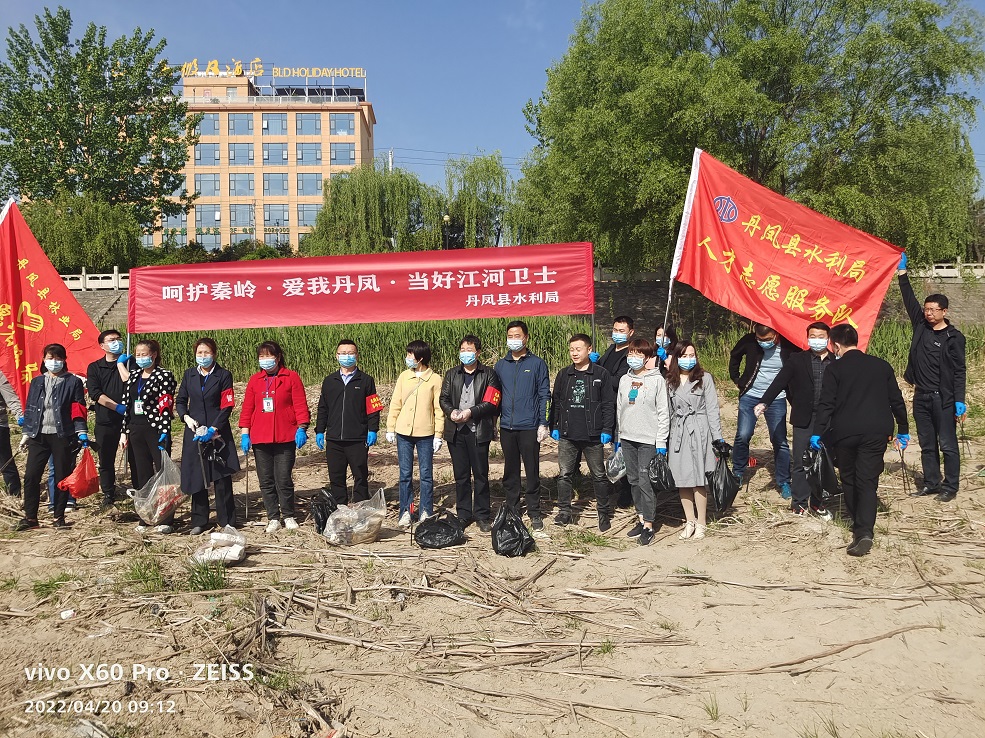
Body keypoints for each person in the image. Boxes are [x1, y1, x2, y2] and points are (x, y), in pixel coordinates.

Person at [812, 325, 909, 557]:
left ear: (835, 345)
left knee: (849, 478)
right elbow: (896, 399)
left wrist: (817, 432)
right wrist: (903, 428)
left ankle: (858, 524)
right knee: (867, 479)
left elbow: (827, 403)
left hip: (846, 432)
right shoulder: (881, 365)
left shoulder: (835, 369)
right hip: (877, 431)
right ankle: (864, 531)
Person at [897, 253, 967, 502]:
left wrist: (960, 399)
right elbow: (909, 300)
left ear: (944, 311)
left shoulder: (954, 338)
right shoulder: (921, 326)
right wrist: (902, 273)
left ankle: (951, 486)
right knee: (927, 444)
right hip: (921, 395)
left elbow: (960, 370)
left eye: (933, 310)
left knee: (947, 444)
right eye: (926, 309)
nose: (927, 313)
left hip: (943, 398)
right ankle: (931, 483)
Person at [754, 322, 835, 519]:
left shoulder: (837, 361)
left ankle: (818, 503)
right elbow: (780, 381)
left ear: (828, 338)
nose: (817, 339)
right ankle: (798, 503)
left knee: (823, 462)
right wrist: (765, 401)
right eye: (813, 336)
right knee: (800, 461)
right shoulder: (797, 360)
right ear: (807, 338)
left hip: (829, 419)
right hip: (804, 418)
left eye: (821, 336)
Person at [239, 341, 310, 533]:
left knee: (283, 478)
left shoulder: (291, 377)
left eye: (269, 356)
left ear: (278, 357)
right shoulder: (255, 380)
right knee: (266, 479)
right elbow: (247, 409)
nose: (265, 360)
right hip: (260, 438)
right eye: (261, 356)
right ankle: (273, 516)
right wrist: (245, 433)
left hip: (285, 436)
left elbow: (300, 404)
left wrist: (302, 427)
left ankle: (288, 515)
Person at [17, 344, 88, 530]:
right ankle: (30, 518)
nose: (53, 362)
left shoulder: (73, 382)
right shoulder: (37, 381)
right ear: (44, 359)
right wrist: (26, 433)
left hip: (62, 435)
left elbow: (78, 408)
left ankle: (59, 517)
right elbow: (31, 408)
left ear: (64, 360)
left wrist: (81, 431)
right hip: (38, 436)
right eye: (50, 358)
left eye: (57, 358)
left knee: (61, 477)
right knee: (31, 476)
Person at [549, 334, 616, 531]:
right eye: (572, 349)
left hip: (593, 434)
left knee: (599, 475)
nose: (575, 353)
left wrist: (606, 429)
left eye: (579, 349)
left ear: (589, 349)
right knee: (564, 475)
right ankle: (564, 512)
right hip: (568, 433)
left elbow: (607, 404)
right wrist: (554, 426)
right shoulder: (564, 374)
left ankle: (603, 514)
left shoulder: (600, 374)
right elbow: (557, 402)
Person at [175, 338, 240, 535]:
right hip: (194, 431)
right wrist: (185, 417)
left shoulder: (223, 375)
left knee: (221, 475)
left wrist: (214, 428)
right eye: (200, 353)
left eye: (207, 352)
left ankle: (226, 520)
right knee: (197, 475)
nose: (203, 356)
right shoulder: (189, 374)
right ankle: (199, 520)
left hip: (217, 431)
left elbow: (227, 404)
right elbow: (180, 400)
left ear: (214, 354)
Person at [439, 335, 502, 532]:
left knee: (481, 474)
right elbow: (444, 398)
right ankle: (464, 513)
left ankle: (482, 514)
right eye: (463, 350)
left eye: (469, 350)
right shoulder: (452, 374)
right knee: (461, 475)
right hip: (456, 432)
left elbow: (492, 401)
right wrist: (452, 411)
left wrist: (471, 412)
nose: (465, 353)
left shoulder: (489, 374)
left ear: (478, 352)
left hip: (478, 431)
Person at [728, 323, 798, 498]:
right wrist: (736, 378)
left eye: (767, 340)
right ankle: (738, 472)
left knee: (779, 440)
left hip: (777, 398)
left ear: (776, 334)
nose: (763, 343)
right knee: (743, 434)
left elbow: (799, 366)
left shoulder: (788, 345)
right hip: (751, 396)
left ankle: (784, 481)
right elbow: (735, 355)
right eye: (760, 340)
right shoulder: (750, 341)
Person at [494, 320, 551, 532]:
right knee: (510, 470)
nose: (513, 339)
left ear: (526, 338)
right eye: (510, 336)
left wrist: (543, 422)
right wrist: (494, 422)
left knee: (532, 469)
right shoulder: (501, 365)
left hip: (529, 426)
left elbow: (545, 393)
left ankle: (535, 511)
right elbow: (495, 397)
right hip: (507, 426)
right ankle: (512, 508)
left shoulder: (537, 363)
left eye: (517, 335)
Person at [667, 341, 725, 540]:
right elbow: (668, 411)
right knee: (682, 478)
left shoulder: (704, 378)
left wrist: (717, 438)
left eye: (692, 355)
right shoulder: (670, 380)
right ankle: (689, 520)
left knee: (699, 478)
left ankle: (702, 521)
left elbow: (712, 409)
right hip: (679, 432)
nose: (688, 359)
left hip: (699, 431)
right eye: (683, 356)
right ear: (676, 358)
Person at [314, 339, 382, 506]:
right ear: (337, 356)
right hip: (334, 438)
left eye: (350, 353)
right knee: (336, 477)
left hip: (357, 439)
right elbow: (323, 408)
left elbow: (373, 408)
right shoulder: (330, 381)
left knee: (360, 476)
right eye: (343, 353)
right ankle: (340, 509)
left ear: (357, 355)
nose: (347, 356)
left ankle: (360, 508)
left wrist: (372, 429)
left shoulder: (366, 380)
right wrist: (319, 430)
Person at [616, 338, 670, 546]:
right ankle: (640, 517)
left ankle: (649, 524)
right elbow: (620, 407)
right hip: (628, 437)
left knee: (645, 481)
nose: (634, 358)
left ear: (648, 358)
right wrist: (619, 436)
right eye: (631, 353)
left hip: (648, 439)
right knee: (633, 480)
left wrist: (661, 441)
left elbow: (663, 412)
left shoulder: (656, 380)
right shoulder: (624, 380)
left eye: (639, 354)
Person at [386, 340, 444, 527]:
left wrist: (438, 434)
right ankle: (406, 511)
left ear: (420, 358)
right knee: (405, 474)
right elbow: (396, 403)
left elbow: (438, 408)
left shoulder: (435, 379)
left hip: (426, 433)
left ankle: (426, 510)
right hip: (403, 432)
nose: (408, 358)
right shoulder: (404, 376)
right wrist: (390, 427)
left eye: (411, 355)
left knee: (426, 474)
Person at [121, 339, 177, 533]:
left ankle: (166, 519)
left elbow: (166, 404)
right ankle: (145, 517)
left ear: (154, 355)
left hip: (155, 429)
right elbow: (127, 405)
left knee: (163, 474)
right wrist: (124, 431)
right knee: (141, 474)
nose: (141, 358)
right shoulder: (134, 376)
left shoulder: (164, 375)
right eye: (138, 355)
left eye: (144, 354)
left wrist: (164, 431)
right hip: (136, 428)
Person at [85, 329, 133, 511]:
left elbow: (134, 383)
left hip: (131, 420)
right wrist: (117, 407)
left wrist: (123, 366)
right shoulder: (95, 367)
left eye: (118, 339)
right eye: (111, 340)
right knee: (106, 459)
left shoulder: (130, 363)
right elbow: (95, 394)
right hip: (106, 420)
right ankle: (108, 493)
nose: (116, 342)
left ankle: (139, 490)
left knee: (135, 458)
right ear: (102, 345)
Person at [1, 371, 23, 497]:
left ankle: (14, 496)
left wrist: (21, 416)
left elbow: (12, 399)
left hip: (0, 425)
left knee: (5, 463)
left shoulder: (1, 375)